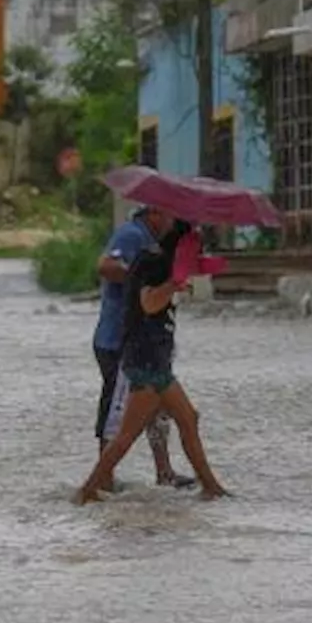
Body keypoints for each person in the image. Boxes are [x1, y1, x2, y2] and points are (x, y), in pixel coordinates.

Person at [75, 240, 230, 505]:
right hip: (146, 363)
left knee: (188, 419)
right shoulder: (154, 265)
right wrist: (172, 285)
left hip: (156, 362)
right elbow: (148, 303)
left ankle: (211, 486)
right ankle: (87, 490)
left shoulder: (161, 264)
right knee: (127, 435)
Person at [93, 207, 195, 489]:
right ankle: (102, 480)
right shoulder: (132, 234)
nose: (172, 222)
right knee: (118, 413)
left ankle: (164, 471)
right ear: (155, 214)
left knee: (159, 410)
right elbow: (105, 266)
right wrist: (140, 278)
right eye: (169, 216)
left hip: (147, 343)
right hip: (120, 342)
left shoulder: (153, 245)